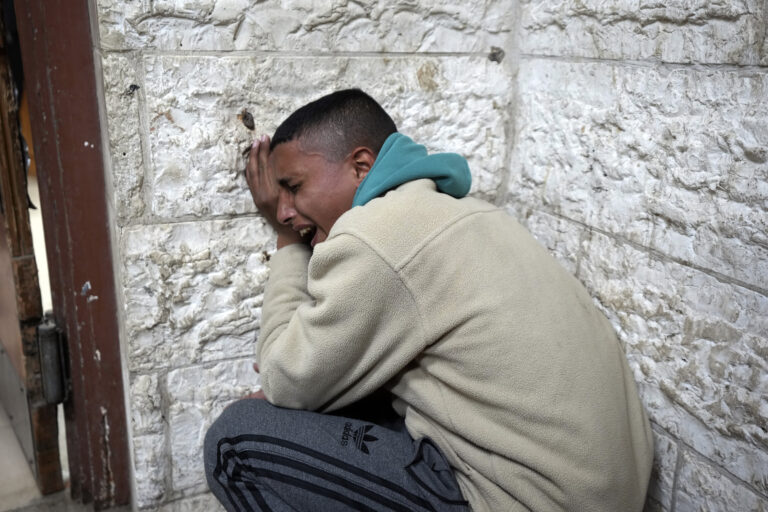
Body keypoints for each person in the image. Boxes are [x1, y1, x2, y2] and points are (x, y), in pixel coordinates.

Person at [204, 89, 653, 512]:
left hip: (519, 498)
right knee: (356, 391)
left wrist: (286, 238)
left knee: (234, 442)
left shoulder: (376, 235)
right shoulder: (467, 212)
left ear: (361, 167)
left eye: (294, 187)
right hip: (599, 494)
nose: (283, 208)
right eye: (280, 198)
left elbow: (284, 379)